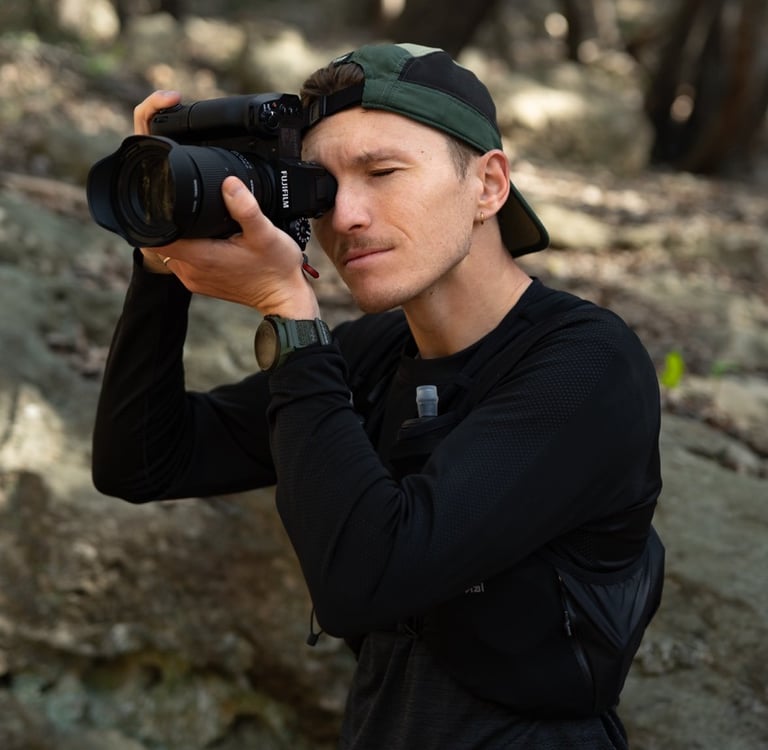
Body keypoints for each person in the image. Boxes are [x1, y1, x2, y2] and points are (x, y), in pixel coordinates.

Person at [92, 43, 664, 749]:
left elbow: (367, 578)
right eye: (324, 189)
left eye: (384, 172)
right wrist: (161, 265)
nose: (349, 217)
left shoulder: (587, 365)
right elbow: (144, 461)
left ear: (489, 186)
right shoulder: (377, 355)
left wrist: (293, 318)